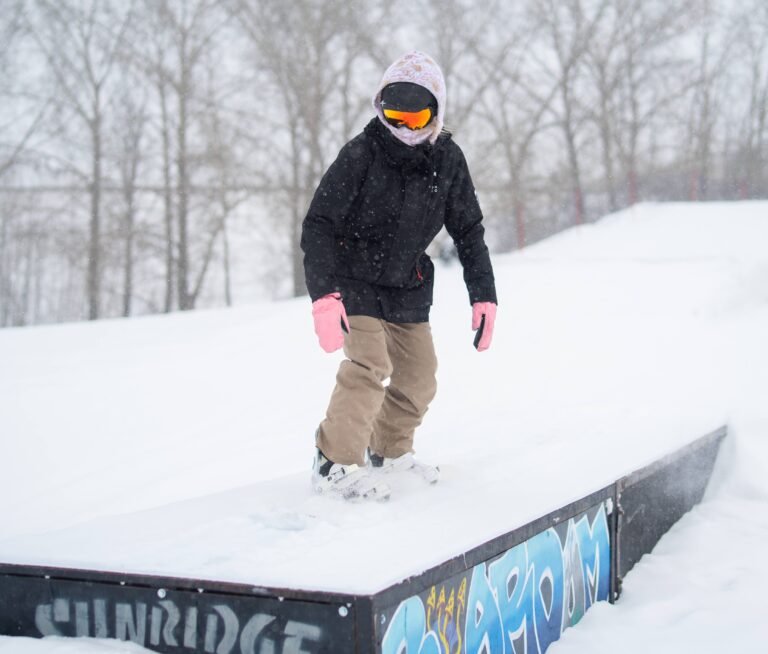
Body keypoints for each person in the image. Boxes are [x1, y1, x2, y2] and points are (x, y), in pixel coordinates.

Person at [301, 51, 497, 499]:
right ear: (380, 108)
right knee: (369, 363)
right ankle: (334, 462)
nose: (406, 128)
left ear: (437, 113)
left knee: (419, 374)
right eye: (396, 114)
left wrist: (484, 295)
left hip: (407, 280)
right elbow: (319, 223)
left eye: (418, 116)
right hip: (354, 277)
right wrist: (324, 295)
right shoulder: (362, 153)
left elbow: (468, 229)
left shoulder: (448, 159)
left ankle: (387, 451)